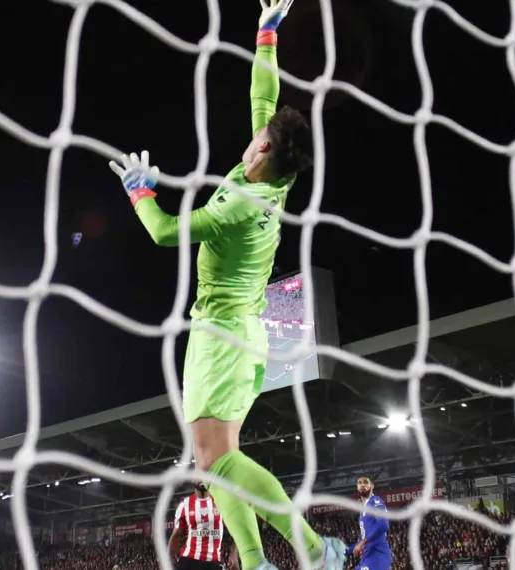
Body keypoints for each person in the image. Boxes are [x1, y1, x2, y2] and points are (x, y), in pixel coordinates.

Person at [109, 1, 345, 569]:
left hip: (221, 335)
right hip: (241, 333)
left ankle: (315, 551)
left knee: (214, 462)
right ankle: (256, 561)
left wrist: (141, 193)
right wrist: (266, 35)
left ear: (263, 148)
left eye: (260, 132)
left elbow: (166, 232)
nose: (256, 128)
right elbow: (264, 97)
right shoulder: (276, 177)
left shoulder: (240, 203)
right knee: (216, 461)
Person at [169, 484, 224, 570]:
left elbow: (235, 529)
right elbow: (176, 534)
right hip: (189, 559)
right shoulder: (184, 504)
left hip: (212, 562)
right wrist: (171, 558)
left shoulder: (221, 502)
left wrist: (233, 555)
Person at [351, 477, 391, 570]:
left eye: (365, 482)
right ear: (357, 487)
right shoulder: (363, 508)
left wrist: (363, 542)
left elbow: (383, 525)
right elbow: (365, 533)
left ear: (372, 486)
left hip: (377, 555)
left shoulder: (376, 501)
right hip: (367, 556)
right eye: (359, 483)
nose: (362, 485)